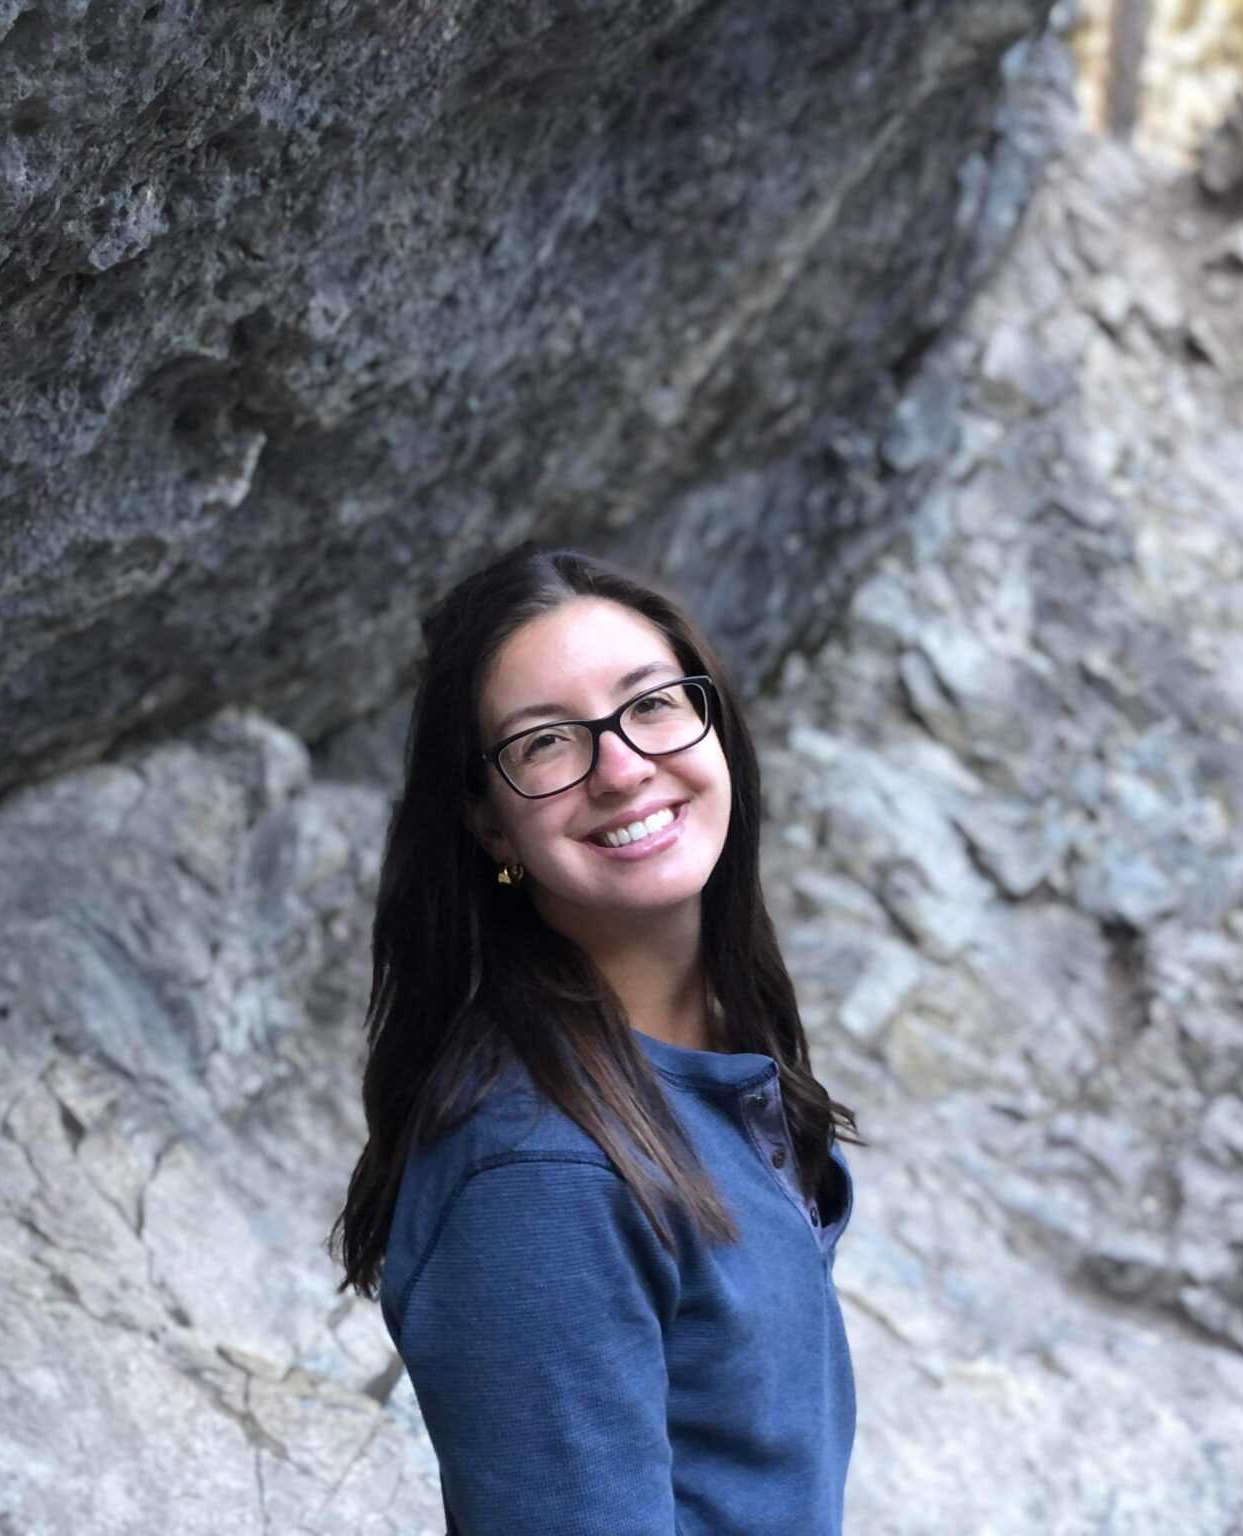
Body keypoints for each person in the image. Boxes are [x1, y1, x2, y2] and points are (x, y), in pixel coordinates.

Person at [329, 542, 862, 1534]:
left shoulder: (709, 1045)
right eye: (545, 744)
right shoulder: (542, 1176)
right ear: (491, 827)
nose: (621, 768)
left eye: (651, 703)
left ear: (713, 722)